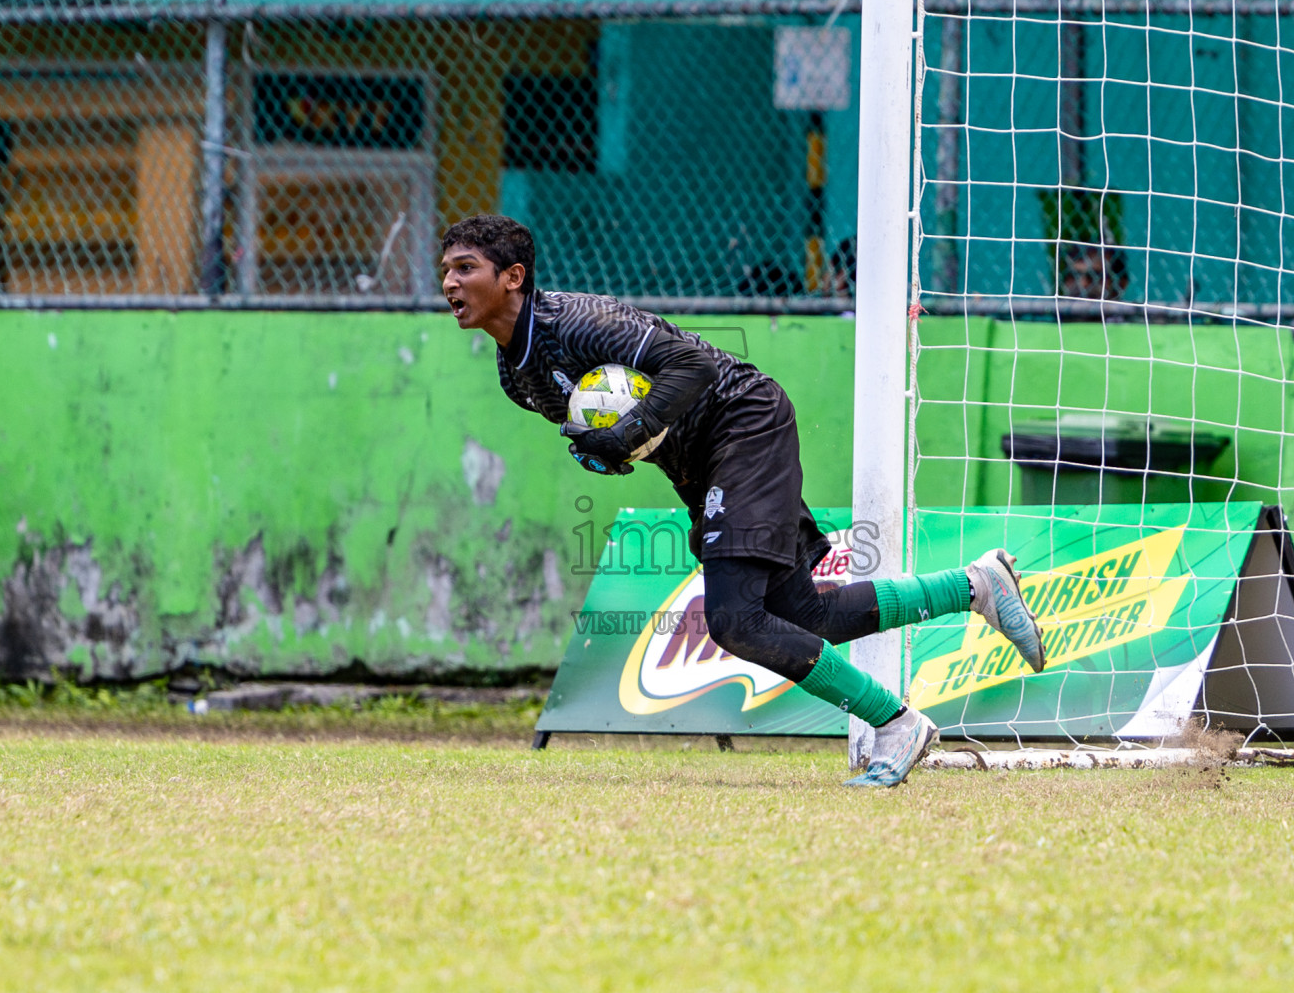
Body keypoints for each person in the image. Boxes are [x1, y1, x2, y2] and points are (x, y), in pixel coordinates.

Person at [440, 214, 1044, 787]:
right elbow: (614, 429)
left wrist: (624, 433)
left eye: (465, 268)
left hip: (742, 420)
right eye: (446, 269)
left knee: (735, 622)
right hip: (697, 462)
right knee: (806, 618)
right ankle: (975, 586)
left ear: (512, 276)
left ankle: (896, 723)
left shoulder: (579, 321)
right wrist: (606, 451)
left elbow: (693, 365)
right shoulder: (515, 375)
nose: (449, 282)